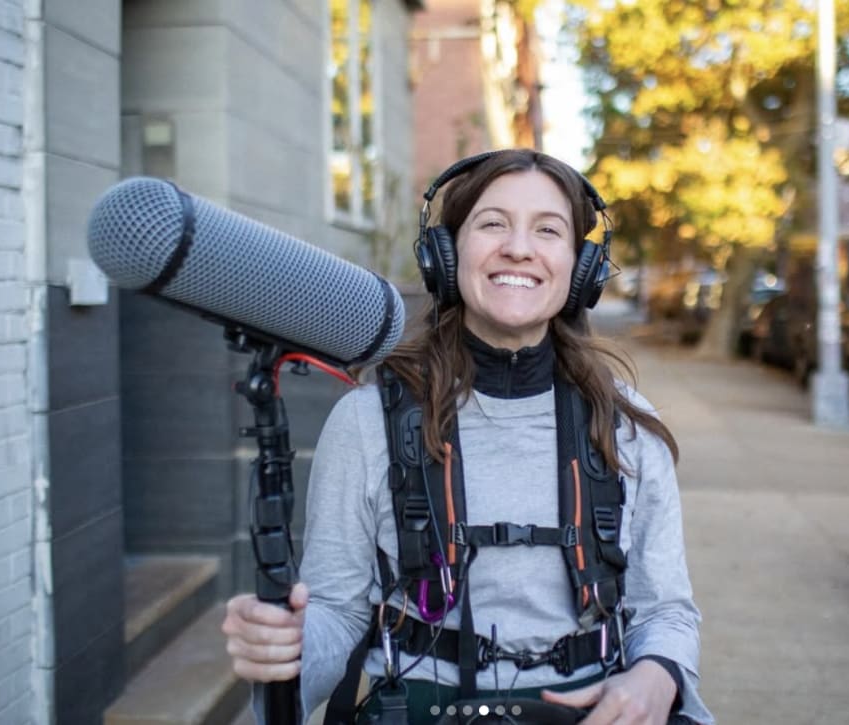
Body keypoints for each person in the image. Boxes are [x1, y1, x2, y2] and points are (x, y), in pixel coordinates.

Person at [222, 149, 713, 724]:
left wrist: (656, 677)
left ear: (582, 269)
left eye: (548, 230)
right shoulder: (366, 421)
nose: (519, 248)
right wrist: (290, 644)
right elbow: (337, 610)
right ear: (446, 254)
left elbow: (667, 612)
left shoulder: (628, 425)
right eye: (493, 223)